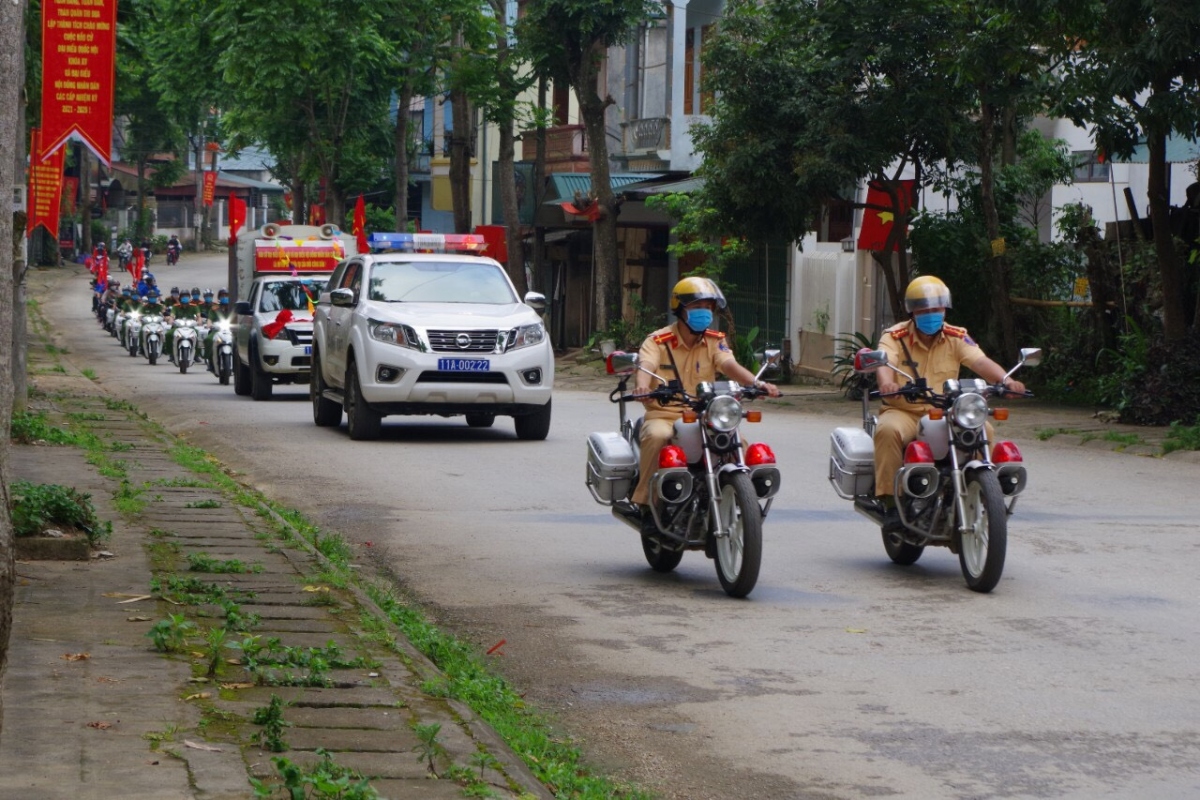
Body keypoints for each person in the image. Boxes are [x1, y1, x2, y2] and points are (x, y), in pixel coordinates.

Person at [872, 276, 1026, 529]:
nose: (932, 314)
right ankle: (891, 503)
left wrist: (1007, 380)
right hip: (904, 410)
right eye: (925, 310)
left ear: (945, 309)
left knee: (984, 429)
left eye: (937, 309)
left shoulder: (956, 337)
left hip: (947, 412)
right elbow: (884, 362)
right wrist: (888, 384)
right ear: (913, 311)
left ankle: (982, 491)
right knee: (887, 431)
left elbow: (979, 362)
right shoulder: (894, 336)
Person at [630, 277, 781, 513]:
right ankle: (646, 501)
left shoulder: (714, 341)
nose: (705, 313)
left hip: (706, 415)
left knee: (736, 442)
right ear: (680, 309)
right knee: (658, 436)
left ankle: (742, 499)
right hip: (666, 414)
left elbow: (729, 364)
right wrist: (642, 387)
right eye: (697, 307)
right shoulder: (658, 341)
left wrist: (758, 383)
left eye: (708, 308)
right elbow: (646, 366)